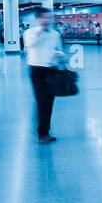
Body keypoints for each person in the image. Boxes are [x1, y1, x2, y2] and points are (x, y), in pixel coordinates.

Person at [24, 8, 66, 143]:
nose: (48, 20)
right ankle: (42, 133)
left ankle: (43, 127)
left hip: (51, 70)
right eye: (45, 17)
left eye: (50, 17)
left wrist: (60, 56)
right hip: (36, 70)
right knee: (42, 101)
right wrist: (40, 32)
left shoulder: (55, 34)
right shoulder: (29, 33)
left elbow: (58, 49)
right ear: (38, 19)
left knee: (49, 102)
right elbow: (29, 45)